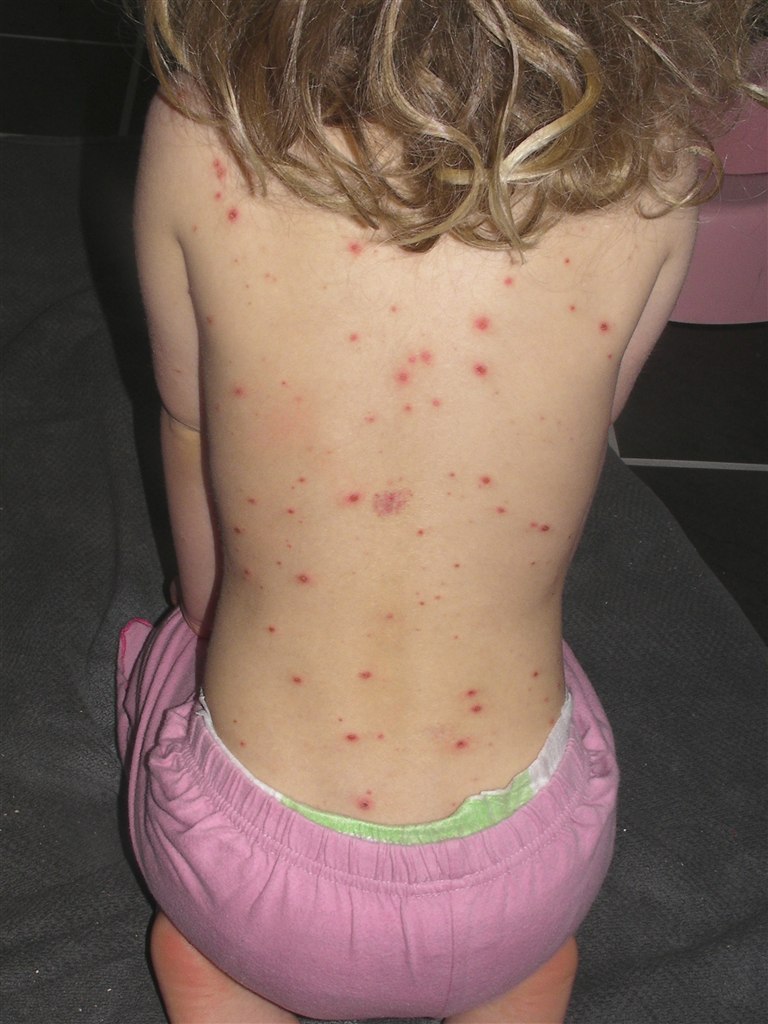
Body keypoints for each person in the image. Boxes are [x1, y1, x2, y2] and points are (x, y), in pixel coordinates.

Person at [117, 2, 763, 1021]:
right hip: (532, 875)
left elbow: (190, 429)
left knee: (171, 705)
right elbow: (583, 429)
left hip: (248, 880)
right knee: (530, 950)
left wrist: (203, 617)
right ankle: (513, 984)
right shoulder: (656, 174)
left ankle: (225, 982)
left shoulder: (203, 134)